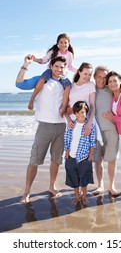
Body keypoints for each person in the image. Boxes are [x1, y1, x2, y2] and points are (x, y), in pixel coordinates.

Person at [19, 55, 67, 204]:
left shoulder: (65, 84)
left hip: (61, 126)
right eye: (56, 66)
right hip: (44, 126)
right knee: (34, 160)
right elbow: (19, 83)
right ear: (51, 66)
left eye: (62, 67)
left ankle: (52, 187)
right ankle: (27, 192)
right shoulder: (42, 80)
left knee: (56, 160)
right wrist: (26, 64)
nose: (59, 69)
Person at [92, 66, 119, 197]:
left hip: (111, 130)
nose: (102, 80)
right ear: (94, 77)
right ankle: (100, 185)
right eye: (99, 77)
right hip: (96, 131)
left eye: (104, 77)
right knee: (98, 160)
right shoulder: (90, 89)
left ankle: (111, 185)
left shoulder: (111, 89)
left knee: (111, 159)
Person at [64, 101, 96, 206]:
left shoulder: (90, 126)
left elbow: (92, 142)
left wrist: (90, 156)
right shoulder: (72, 124)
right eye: (78, 112)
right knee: (74, 178)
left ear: (86, 112)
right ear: (75, 113)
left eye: (83, 112)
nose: (80, 115)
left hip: (84, 157)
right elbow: (67, 139)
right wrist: (67, 152)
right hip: (71, 156)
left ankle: (84, 197)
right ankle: (76, 196)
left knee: (84, 179)